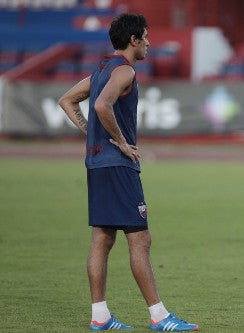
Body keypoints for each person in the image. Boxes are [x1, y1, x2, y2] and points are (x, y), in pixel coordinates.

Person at [58, 13, 198, 332]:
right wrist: (121, 142)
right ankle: (160, 317)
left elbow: (67, 100)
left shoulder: (100, 69)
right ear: (133, 40)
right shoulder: (124, 70)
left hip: (95, 163)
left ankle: (100, 316)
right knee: (140, 239)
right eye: (145, 37)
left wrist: (90, 134)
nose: (149, 42)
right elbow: (101, 106)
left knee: (102, 239)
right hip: (118, 166)